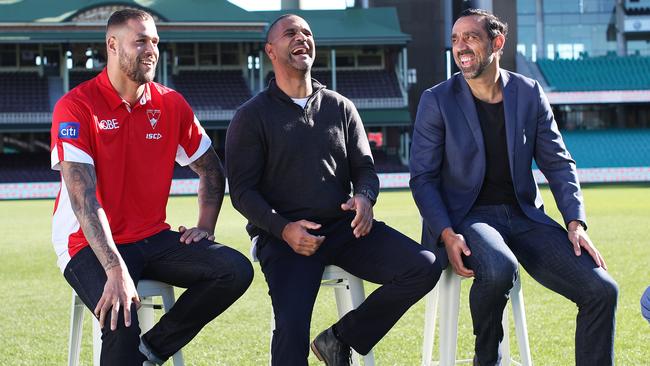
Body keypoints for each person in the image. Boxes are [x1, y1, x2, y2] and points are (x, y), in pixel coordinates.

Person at [226, 14, 441, 366]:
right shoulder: (251, 116)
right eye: (291, 33)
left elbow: (365, 171)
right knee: (292, 328)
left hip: (344, 228)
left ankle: (340, 338)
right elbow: (242, 193)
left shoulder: (340, 107)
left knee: (423, 267)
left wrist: (365, 198)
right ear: (270, 51)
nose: (302, 38)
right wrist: (283, 229)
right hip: (285, 237)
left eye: (307, 33)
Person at [409, 8, 618, 366]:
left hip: (524, 217)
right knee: (500, 267)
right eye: (456, 39)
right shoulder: (437, 99)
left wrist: (575, 222)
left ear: (497, 42)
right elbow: (423, 177)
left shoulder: (528, 93)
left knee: (602, 290)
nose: (461, 46)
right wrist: (446, 232)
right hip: (466, 218)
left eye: (471, 37)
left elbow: (557, 162)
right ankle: (486, 359)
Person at [50, 9, 253, 365]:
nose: (151, 49)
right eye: (141, 40)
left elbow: (211, 169)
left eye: (155, 41)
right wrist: (115, 269)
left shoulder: (170, 103)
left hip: (151, 237)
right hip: (85, 241)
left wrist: (206, 226)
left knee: (234, 270)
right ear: (112, 45)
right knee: (121, 316)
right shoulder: (76, 106)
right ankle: (137, 347)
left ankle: (151, 351)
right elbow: (83, 199)